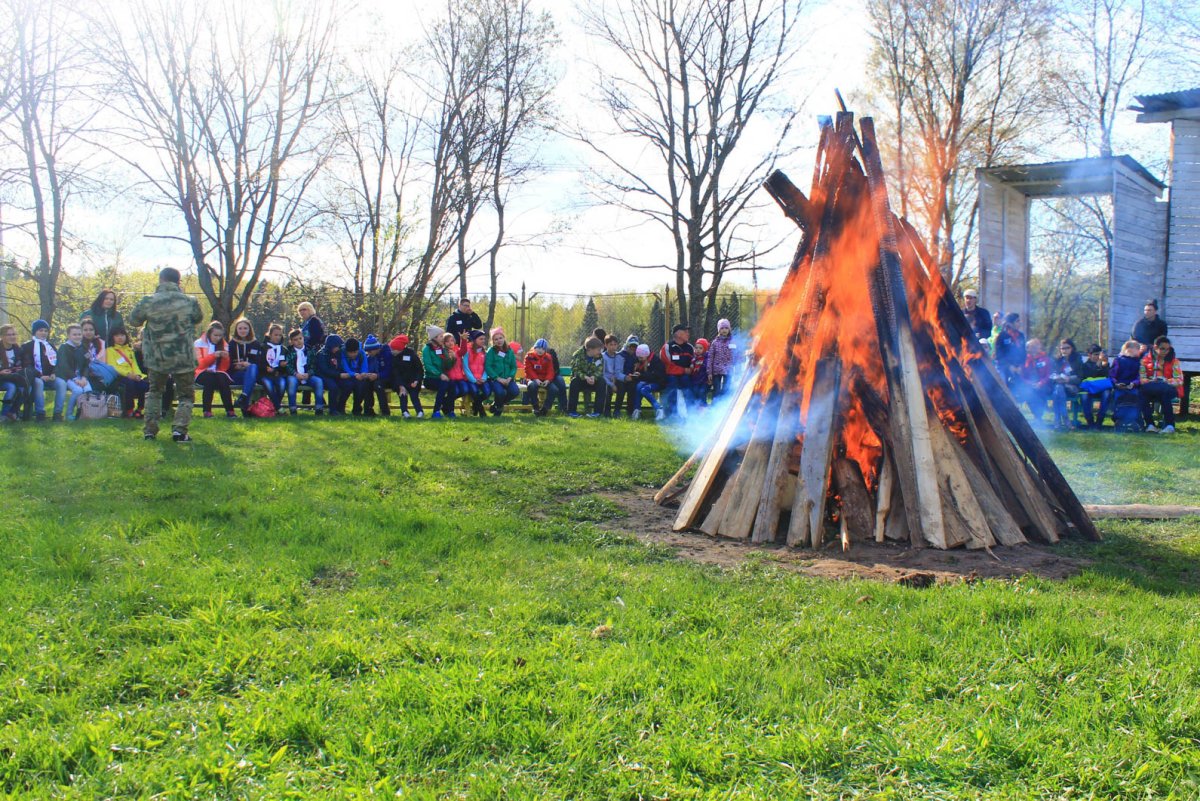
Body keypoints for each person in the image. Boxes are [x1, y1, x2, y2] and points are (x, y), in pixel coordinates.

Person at [127, 267, 204, 441]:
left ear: (161, 280)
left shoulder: (149, 301)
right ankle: (179, 430)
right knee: (186, 395)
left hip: (157, 356)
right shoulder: (190, 301)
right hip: (183, 356)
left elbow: (134, 320)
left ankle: (150, 431)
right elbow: (198, 318)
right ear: (178, 281)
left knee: (155, 391)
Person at [21, 320, 67, 422]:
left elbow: (58, 362)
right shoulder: (27, 346)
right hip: (35, 376)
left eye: (46, 331)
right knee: (38, 383)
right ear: (35, 332)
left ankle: (57, 413)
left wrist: (54, 373)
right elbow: (27, 365)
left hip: (50, 376)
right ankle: (40, 413)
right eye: (40, 330)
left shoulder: (50, 346)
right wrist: (40, 375)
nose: (43, 333)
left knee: (62, 383)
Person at [1140, 335, 1182, 434]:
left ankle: (1169, 425)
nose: (1165, 351)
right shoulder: (1145, 360)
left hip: (1169, 388)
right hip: (1151, 387)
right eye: (1162, 348)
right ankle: (1150, 424)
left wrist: (1166, 381)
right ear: (1155, 347)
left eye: (1168, 349)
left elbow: (1179, 380)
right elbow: (1141, 378)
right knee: (1141, 394)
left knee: (1165, 395)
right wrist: (1151, 380)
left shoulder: (1174, 361)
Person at [194, 321, 236, 418]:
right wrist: (213, 356)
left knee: (223, 379)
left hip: (217, 372)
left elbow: (224, 368)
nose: (218, 338)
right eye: (215, 335)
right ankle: (207, 411)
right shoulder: (198, 343)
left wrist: (226, 358)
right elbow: (199, 365)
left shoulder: (224, 345)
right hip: (200, 373)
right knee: (210, 379)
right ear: (209, 333)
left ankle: (230, 411)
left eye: (220, 336)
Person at [106, 326, 149, 417]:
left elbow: (134, 365)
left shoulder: (129, 350)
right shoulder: (110, 351)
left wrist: (138, 375)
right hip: (119, 376)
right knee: (129, 384)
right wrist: (128, 374)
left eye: (122, 335)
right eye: (117, 335)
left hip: (133, 376)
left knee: (144, 385)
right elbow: (113, 366)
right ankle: (129, 410)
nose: (120, 337)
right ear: (112, 337)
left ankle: (139, 409)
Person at [56, 324, 95, 420]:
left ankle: (83, 413)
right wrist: (75, 379)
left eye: (79, 334)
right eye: (74, 334)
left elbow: (86, 365)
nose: (77, 337)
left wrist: (84, 378)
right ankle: (69, 414)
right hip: (68, 376)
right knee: (78, 390)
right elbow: (64, 366)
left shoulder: (84, 347)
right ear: (68, 336)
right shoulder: (64, 348)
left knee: (87, 390)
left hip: (81, 377)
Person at [284, 327, 325, 415]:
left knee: (318, 381)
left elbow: (314, 365)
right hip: (295, 375)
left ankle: (319, 408)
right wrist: (295, 374)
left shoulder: (310, 350)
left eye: (300, 338)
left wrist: (309, 374)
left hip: (308, 376)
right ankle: (293, 409)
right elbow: (288, 365)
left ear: (303, 338)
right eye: (295, 340)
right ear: (291, 341)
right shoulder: (289, 351)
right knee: (291, 382)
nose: (299, 341)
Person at [660, 324, 695, 418]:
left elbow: (693, 362)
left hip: (686, 376)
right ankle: (673, 414)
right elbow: (668, 367)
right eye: (686, 332)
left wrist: (691, 368)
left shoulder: (690, 348)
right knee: (672, 381)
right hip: (670, 376)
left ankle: (691, 413)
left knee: (687, 382)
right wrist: (683, 370)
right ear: (678, 334)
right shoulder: (667, 347)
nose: (688, 334)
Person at [1048, 338, 1083, 430]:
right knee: (1058, 390)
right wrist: (1056, 378)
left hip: (1071, 387)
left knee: (1057, 391)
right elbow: (1051, 374)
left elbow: (1080, 377)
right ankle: (1065, 420)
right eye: (1062, 348)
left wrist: (1068, 379)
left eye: (1067, 348)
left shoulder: (1077, 360)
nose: (1064, 350)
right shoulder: (1057, 360)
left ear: (1072, 348)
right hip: (1059, 386)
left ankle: (1058, 420)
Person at [228, 318, 262, 410]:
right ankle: (245, 404)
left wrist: (248, 364)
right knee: (250, 380)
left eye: (245, 328)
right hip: (236, 374)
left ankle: (243, 398)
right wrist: (235, 366)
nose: (243, 330)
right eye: (240, 328)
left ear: (249, 329)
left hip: (253, 373)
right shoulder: (231, 344)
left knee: (253, 367)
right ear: (236, 330)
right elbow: (227, 363)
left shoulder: (255, 343)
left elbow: (259, 361)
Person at [420, 327, 454, 419]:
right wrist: (440, 374)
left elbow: (448, 366)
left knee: (452, 385)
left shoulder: (442, 348)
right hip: (430, 378)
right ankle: (436, 411)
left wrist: (451, 358)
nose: (443, 338)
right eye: (441, 336)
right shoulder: (427, 349)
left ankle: (450, 410)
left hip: (442, 378)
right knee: (443, 385)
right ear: (434, 338)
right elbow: (428, 366)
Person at [568, 336, 606, 418]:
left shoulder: (599, 357)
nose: (600, 352)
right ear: (590, 349)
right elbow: (575, 369)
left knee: (602, 382)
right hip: (581, 379)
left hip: (592, 380)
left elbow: (599, 370)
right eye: (598, 350)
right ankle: (572, 411)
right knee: (574, 382)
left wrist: (593, 377)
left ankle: (597, 412)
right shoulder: (578, 354)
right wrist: (585, 377)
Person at [484, 328, 519, 415]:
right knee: (500, 393)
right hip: (495, 379)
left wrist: (510, 377)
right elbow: (488, 367)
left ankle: (496, 404)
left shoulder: (510, 351)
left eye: (500, 338)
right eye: (496, 339)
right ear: (493, 341)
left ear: (504, 338)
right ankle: (499, 409)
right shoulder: (491, 351)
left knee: (515, 392)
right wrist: (498, 378)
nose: (499, 341)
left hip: (508, 379)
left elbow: (513, 367)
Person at [389, 335, 424, 419]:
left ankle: (419, 411)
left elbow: (419, 370)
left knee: (414, 395)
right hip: (400, 382)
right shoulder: (394, 358)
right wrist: (401, 385)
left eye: (393, 349)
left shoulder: (412, 354)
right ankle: (404, 411)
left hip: (413, 381)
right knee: (402, 394)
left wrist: (416, 381)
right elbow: (395, 373)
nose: (391, 351)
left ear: (399, 349)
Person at [1017, 339, 1052, 423]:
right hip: (1029, 385)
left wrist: (1041, 383)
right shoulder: (1024, 360)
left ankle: (1039, 416)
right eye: (1030, 347)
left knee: (1041, 391)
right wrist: (1030, 383)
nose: (1033, 349)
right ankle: (1037, 416)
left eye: (1035, 346)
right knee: (1028, 393)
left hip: (1043, 384)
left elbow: (1048, 374)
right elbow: (1021, 376)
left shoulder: (1045, 359)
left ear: (1039, 347)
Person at [339, 337, 376, 416]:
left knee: (361, 386)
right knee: (348, 386)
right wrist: (354, 374)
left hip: (359, 376)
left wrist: (363, 373)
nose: (353, 354)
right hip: (347, 375)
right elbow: (345, 367)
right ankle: (341, 407)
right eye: (350, 353)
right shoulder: (342, 353)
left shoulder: (361, 353)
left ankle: (357, 409)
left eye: (355, 352)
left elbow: (364, 366)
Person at [1077, 345, 1112, 429]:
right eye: (1096, 354)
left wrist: (1105, 365)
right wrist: (1098, 363)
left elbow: (1108, 376)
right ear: (1089, 355)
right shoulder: (1085, 365)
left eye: (1099, 354)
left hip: (1101, 389)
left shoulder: (1104, 364)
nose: (1098, 356)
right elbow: (1091, 374)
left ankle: (1099, 421)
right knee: (1084, 397)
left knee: (1107, 394)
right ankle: (1090, 422)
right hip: (1089, 389)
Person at [459, 329, 491, 415]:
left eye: (484, 339)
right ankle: (481, 412)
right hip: (470, 379)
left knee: (487, 392)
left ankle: (475, 406)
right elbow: (465, 367)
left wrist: (484, 378)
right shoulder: (467, 351)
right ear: (474, 340)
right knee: (474, 391)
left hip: (482, 379)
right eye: (481, 339)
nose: (483, 341)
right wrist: (473, 380)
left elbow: (486, 367)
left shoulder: (484, 352)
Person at [80, 319, 118, 392]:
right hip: (84, 373)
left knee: (114, 384)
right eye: (85, 330)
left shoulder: (101, 343)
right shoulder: (78, 344)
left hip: (99, 372)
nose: (88, 332)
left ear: (95, 331)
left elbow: (103, 361)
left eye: (91, 330)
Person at [313, 334, 347, 416]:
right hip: (322, 376)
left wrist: (340, 372)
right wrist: (339, 375)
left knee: (347, 385)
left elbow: (340, 365)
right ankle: (332, 410)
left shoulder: (338, 353)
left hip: (335, 375)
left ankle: (340, 407)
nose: (338, 348)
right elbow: (325, 370)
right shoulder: (322, 354)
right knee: (333, 386)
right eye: (336, 346)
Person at [633, 343, 667, 421]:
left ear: (646, 355)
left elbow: (655, 376)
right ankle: (637, 410)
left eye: (641, 357)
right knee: (638, 386)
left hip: (658, 382)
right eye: (638, 357)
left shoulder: (656, 361)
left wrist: (642, 374)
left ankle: (659, 409)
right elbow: (643, 375)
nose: (639, 359)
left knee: (644, 390)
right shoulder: (640, 360)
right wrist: (636, 370)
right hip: (648, 381)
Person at [523, 338, 556, 417]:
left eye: (543, 349)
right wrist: (536, 379)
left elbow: (550, 370)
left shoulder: (548, 357)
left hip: (544, 380)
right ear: (535, 348)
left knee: (554, 389)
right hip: (532, 379)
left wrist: (547, 380)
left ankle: (545, 408)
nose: (540, 350)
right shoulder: (529, 356)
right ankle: (536, 407)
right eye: (538, 348)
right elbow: (528, 370)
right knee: (532, 386)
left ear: (545, 350)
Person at [259, 323, 289, 410]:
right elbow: (259, 362)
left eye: (280, 335)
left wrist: (282, 366)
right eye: (275, 335)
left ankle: (273, 408)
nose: (278, 337)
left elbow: (285, 367)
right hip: (265, 374)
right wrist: (266, 368)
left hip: (278, 374)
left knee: (282, 385)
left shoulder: (283, 349)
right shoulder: (263, 347)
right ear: (270, 335)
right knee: (269, 386)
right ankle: (278, 408)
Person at [0, 325, 26, 423]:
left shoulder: (18, 349)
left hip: (12, 377)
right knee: (11, 387)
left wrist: (18, 369)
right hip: (1, 379)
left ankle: (12, 412)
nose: (12, 337)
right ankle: (3, 415)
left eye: (14, 334)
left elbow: (22, 364)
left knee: (25, 387)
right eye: (9, 335)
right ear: (2, 336)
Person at [992, 313, 1025, 387]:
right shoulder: (1002, 336)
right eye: (1017, 321)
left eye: (1019, 321)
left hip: (1018, 368)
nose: (1019, 323)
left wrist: (1020, 366)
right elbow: (999, 355)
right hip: (1004, 367)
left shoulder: (1021, 336)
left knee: (1021, 387)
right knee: (1003, 385)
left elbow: (1023, 353)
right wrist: (1009, 366)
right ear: (1010, 323)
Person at [611, 335, 640, 417]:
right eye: (631, 346)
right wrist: (625, 377)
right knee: (621, 386)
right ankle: (617, 410)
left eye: (635, 346)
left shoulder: (637, 356)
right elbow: (617, 373)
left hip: (631, 378)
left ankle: (630, 410)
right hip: (620, 379)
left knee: (633, 386)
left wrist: (635, 372)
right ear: (627, 345)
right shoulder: (620, 355)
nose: (633, 348)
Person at [363, 335, 391, 415]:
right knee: (366, 384)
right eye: (367, 352)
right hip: (375, 377)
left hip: (387, 378)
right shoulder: (370, 357)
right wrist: (367, 375)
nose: (368, 353)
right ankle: (368, 410)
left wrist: (378, 375)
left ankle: (385, 411)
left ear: (376, 349)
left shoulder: (387, 354)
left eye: (370, 351)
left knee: (378, 385)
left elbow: (389, 371)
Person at [708, 319, 735, 398]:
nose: (724, 330)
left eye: (726, 328)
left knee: (726, 390)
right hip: (716, 371)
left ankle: (725, 404)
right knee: (716, 390)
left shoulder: (732, 342)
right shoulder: (715, 343)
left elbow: (736, 355)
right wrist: (709, 373)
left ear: (729, 329)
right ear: (719, 330)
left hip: (728, 370)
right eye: (722, 328)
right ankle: (716, 404)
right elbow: (710, 358)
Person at [600, 335, 623, 416]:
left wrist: (615, 379)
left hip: (616, 379)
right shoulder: (602, 357)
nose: (613, 347)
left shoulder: (619, 357)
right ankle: (607, 411)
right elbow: (601, 374)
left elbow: (619, 371)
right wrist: (611, 384)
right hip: (606, 380)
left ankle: (617, 410)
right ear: (606, 345)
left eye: (615, 344)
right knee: (608, 389)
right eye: (611, 345)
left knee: (622, 386)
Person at [691, 337, 710, 407]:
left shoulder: (706, 358)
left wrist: (701, 365)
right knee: (695, 393)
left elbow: (707, 367)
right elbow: (692, 366)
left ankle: (704, 407)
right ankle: (696, 408)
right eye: (696, 348)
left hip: (704, 381)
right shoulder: (694, 358)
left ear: (705, 349)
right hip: (695, 380)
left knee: (702, 393)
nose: (698, 350)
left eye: (700, 348)